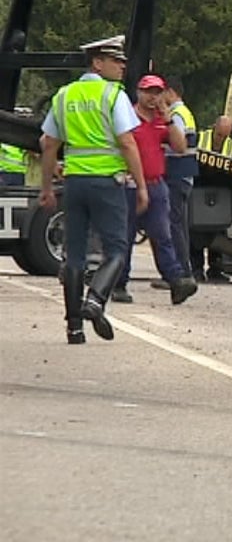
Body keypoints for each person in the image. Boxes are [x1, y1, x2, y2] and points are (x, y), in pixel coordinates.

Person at [37, 35, 149, 344]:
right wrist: (141, 185)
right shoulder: (113, 96)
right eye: (116, 61)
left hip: (74, 185)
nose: (122, 67)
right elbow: (127, 142)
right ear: (97, 63)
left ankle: (74, 328)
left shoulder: (64, 96)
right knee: (117, 250)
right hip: (107, 185)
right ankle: (96, 300)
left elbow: (48, 144)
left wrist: (46, 187)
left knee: (74, 255)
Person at [111, 74, 198, 305]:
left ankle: (176, 280)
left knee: (163, 235)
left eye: (157, 92)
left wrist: (168, 119)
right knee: (125, 236)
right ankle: (119, 283)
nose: (152, 97)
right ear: (139, 92)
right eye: (148, 92)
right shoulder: (127, 116)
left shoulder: (161, 120)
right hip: (129, 185)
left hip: (156, 184)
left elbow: (180, 147)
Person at [189, 115, 232, 282]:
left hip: (221, 191)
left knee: (218, 230)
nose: (221, 140)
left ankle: (215, 269)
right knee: (195, 230)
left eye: (225, 136)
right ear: (214, 128)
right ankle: (196, 268)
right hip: (199, 187)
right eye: (219, 136)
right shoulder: (200, 138)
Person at [162, 75, 198, 280]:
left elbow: (178, 144)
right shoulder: (186, 112)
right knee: (178, 225)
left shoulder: (176, 114)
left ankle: (180, 273)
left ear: (170, 92)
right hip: (185, 175)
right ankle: (182, 271)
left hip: (177, 175)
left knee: (174, 226)